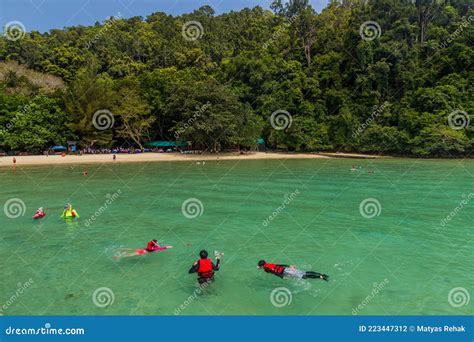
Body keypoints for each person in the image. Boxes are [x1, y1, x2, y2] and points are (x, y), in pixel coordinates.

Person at [257, 260, 328, 281]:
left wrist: (282, 277)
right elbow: (279, 265)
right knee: (304, 273)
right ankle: (320, 274)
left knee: (303, 276)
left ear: (261, 266)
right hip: (286, 269)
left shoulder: (266, 269)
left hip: (285, 272)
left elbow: (275, 272)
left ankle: (321, 277)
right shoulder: (269, 264)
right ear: (265, 262)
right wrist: (289, 266)